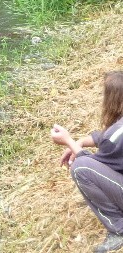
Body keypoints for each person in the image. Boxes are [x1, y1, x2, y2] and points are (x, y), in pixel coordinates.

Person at [51, 70, 123, 253]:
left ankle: (118, 228)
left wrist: (68, 141)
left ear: (114, 100)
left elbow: (93, 163)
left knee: (80, 168)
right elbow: (108, 138)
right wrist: (81, 141)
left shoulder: (115, 136)